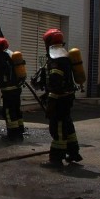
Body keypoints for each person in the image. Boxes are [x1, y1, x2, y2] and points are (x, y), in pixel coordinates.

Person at [33, 28, 82, 169]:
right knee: (67, 125)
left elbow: (55, 82)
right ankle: (73, 153)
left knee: (58, 128)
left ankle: (56, 159)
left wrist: (51, 101)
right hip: (67, 97)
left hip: (59, 99)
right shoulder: (65, 55)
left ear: (49, 42)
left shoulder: (55, 58)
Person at [0, 37, 24, 141]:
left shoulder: (0, 57)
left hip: (8, 90)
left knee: (8, 112)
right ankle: (19, 132)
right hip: (16, 89)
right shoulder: (11, 54)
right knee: (16, 110)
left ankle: (12, 135)